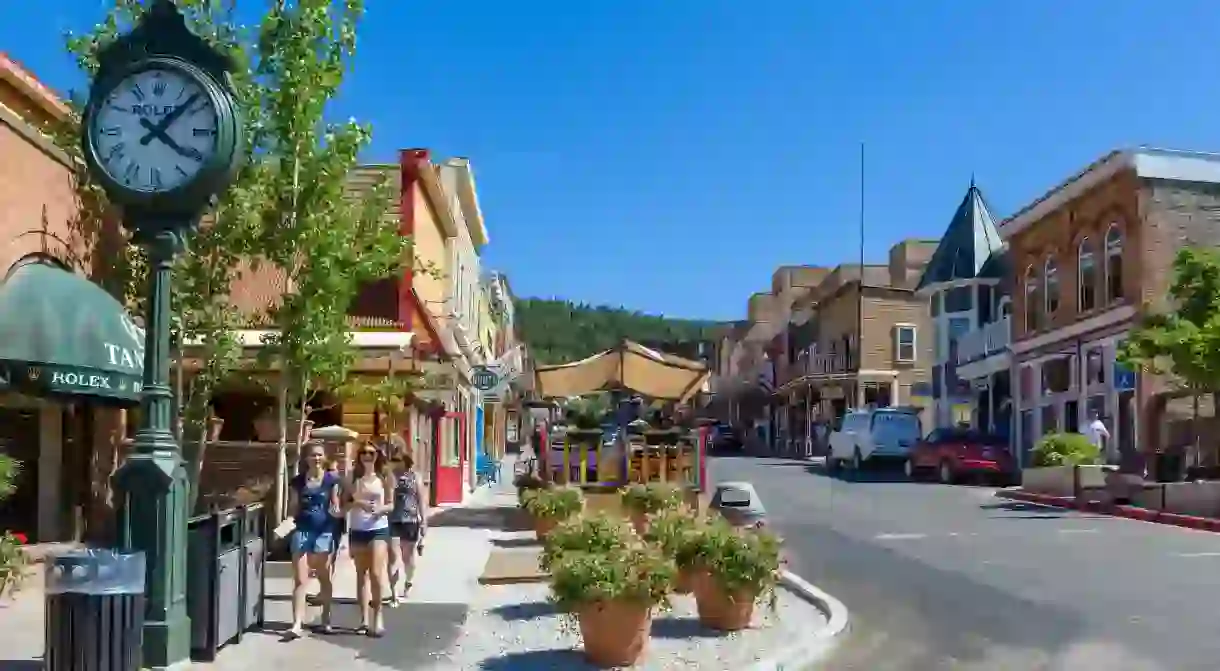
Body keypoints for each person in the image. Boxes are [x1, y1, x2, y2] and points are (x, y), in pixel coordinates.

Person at [286, 441, 342, 639]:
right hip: (302, 531)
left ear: (324, 458)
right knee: (300, 579)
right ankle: (296, 624)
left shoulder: (331, 480)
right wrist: (286, 526)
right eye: (312, 455)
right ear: (306, 459)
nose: (316, 459)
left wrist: (338, 514)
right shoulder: (298, 482)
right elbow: (293, 508)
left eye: (319, 455)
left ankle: (325, 619)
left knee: (323, 577)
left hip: (325, 532)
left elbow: (335, 505)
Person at [348, 440, 393, 637]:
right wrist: (358, 502)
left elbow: (391, 504)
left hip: (378, 528)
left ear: (377, 456)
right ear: (359, 456)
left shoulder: (384, 477)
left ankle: (378, 617)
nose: (367, 456)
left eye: (371, 453)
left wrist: (380, 509)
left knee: (376, 573)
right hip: (358, 529)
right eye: (363, 453)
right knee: (361, 575)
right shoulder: (352, 477)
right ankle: (363, 620)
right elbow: (344, 500)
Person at [386, 436, 427, 606]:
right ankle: (394, 593)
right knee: (393, 557)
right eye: (393, 459)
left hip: (410, 520)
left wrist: (424, 522)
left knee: (407, 557)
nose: (395, 462)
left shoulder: (414, 477)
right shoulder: (389, 476)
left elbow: (421, 500)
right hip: (392, 519)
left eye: (398, 459)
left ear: (405, 460)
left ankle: (408, 582)